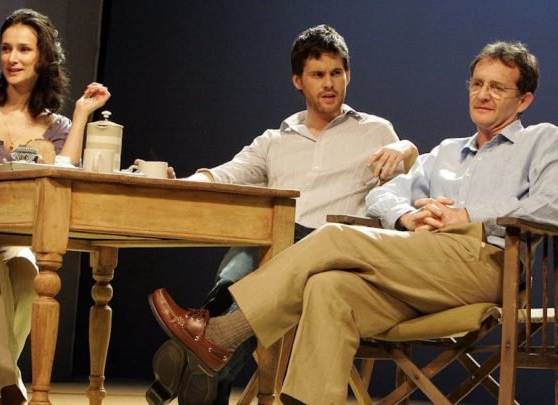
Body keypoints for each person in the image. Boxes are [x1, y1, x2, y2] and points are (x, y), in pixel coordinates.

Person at [149, 40, 558, 404]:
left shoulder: (541, 141)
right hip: (420, 266)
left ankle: (219, 335)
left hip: (486, 264)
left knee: (334, 238)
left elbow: (552, 204)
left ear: (523, 101)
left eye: (497, 87)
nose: (483, 94)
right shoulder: (446, 152)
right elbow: (385, 193)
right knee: (329, 287)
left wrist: (467, 215)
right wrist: (408, 214)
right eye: (477, 84)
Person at [145, 24, 418, 405]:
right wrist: (185, 181)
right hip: (276, 251)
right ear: (297, 81)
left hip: (334, 256)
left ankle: (196, 351)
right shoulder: (276, 139)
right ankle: (205, 358)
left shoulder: (375, 130)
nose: (329, 84)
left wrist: (407, 148)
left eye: (336, 73)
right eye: (318, 74)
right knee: (245, 261)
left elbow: (409, 184)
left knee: (264, 250)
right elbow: (228, 172)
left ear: (348, 75)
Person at [0, 8, 110, 405]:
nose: (12, 58)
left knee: (25, 270)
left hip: (11, 240)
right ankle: (5, 388)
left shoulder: (58, 127)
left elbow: (64, 175)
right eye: (6, 48)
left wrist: (82, 115)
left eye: (24, 49)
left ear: (43, 58)